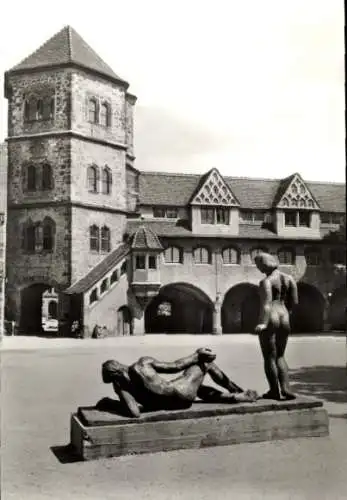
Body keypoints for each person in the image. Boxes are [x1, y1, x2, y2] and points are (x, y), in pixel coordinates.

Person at [102, 348, 258, 418]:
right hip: (183, 394)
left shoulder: (120, 386)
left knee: (200, 389)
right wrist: (196, 355)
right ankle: (237, 391)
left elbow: (134, 413)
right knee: (206, 365)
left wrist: (111, 404)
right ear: (118, 364)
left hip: (171, 404)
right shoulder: (143, 363)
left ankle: (234, 397)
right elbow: (176, 366)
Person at [254, 252, 299, 400]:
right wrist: (286, 313)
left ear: (264, 264)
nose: (258, 268)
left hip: (271, 316)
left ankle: (274, 391)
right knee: (280, 355)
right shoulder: (290, 278)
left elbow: (266, 304)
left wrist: (263, 323)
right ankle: (286, 388)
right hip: (284, 315)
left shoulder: (266, 281)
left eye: (258, 265)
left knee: (269, 357)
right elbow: (294, 302)